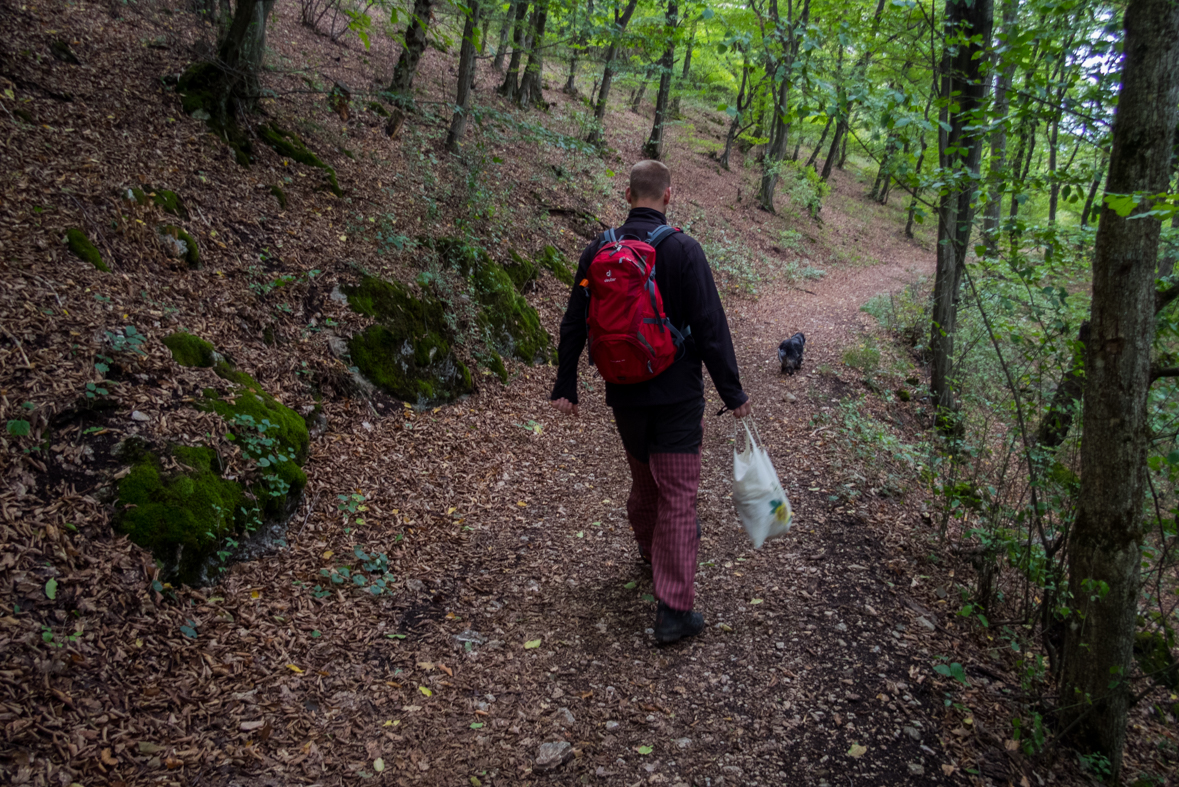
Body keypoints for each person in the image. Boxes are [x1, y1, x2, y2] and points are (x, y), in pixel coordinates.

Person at [549, 159, 751, 644]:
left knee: (645, 480)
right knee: (678, 496)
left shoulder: (598, 249)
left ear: (627, 194)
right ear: (668, 196)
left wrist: (566, 383)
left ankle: (649, 551)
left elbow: (575, 319)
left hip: (624, 392)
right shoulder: (684, 249)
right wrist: (733, 393)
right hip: (678, 394)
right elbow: (709, 327)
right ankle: (674, 612)